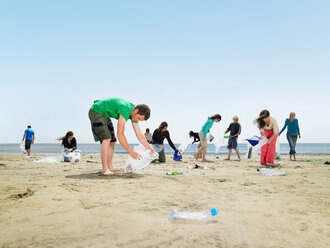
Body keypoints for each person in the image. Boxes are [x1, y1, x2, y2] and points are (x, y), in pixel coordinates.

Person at [89, 97, 154, 176]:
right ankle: (105, 168)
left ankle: (110, 166)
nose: (137, 121)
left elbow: (139, 134)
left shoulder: (133, 113)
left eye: (140, 120)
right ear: (136, 111)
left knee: (113, 141)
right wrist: (131, 151)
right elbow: (120, 134)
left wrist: (149, 147)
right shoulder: (125, 109)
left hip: (105, 114)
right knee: (106, 138)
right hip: (96, 111)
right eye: (139, 118)